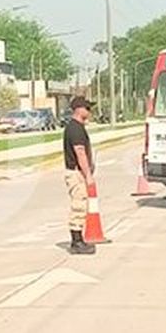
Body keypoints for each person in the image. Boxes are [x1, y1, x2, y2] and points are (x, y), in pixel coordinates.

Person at [63, 96, 97, 254]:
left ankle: (79, 239)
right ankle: (76, 242)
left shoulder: (77, 127)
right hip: (76, 173)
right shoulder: (75, 129)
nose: (89, 111)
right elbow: (80, 152)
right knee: (79, 205)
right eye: (87, 108)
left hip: (77, 172)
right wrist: (88, 175)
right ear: (79, 109)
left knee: (81, 205)